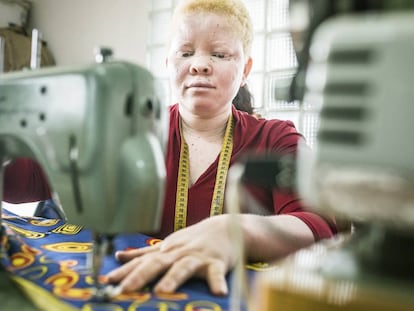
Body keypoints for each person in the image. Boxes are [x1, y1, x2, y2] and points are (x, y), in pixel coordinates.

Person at [3, 0, 337, 297]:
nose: (199, 65)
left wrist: (236, 230)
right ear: (167, 62)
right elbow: (23, 182)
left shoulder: (276, 139)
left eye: (219, 54)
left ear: (246, 69)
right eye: (186, 52)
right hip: (132, 289)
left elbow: (321, 226)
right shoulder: (125, 130)